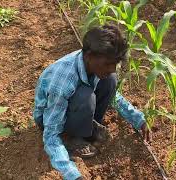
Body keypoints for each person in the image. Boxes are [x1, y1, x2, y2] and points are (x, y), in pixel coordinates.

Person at [33, 25, 150, 180]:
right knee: (85, 97)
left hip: (72, 104)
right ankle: (70, 137)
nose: (112, 68)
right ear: (89, 56)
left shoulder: (94, 63)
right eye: (108, 64)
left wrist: (137, 118)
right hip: (49, 119)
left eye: (114, 64)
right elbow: (50, 134)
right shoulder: (63, 81)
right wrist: (72, 174)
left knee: (110, 80)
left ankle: (86, 126)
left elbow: (114, 96)